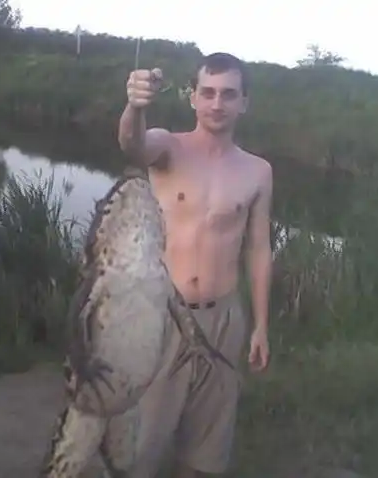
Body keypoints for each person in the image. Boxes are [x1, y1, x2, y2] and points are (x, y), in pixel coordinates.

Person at [117, 52, 273, 477]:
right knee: (141, 445)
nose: (216, 103)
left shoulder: (258, 171)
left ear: (244, 102)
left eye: (228, 94)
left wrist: (260, 325)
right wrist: (135, 106)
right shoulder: (169, 147)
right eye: (208, 92)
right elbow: (132, 143)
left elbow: (259, 248)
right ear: (192, 97)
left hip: (224, 320)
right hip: (164, 316)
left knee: (207, 449)